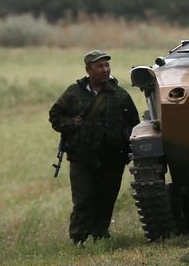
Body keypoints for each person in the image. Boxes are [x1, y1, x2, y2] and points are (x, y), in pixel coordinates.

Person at [49, 50, 139, 244]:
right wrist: (72, 123)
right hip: (82, 156)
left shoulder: (119, 95)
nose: (105, 69)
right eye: (100, 66)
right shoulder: (74, 93)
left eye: (107, 65)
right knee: (83, 199)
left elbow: (134, 123)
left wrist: (123, 141)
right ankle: (79, 238)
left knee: (107, 198)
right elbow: (55, 116)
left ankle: (100, 234)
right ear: (88, 70)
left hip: (112, 157)